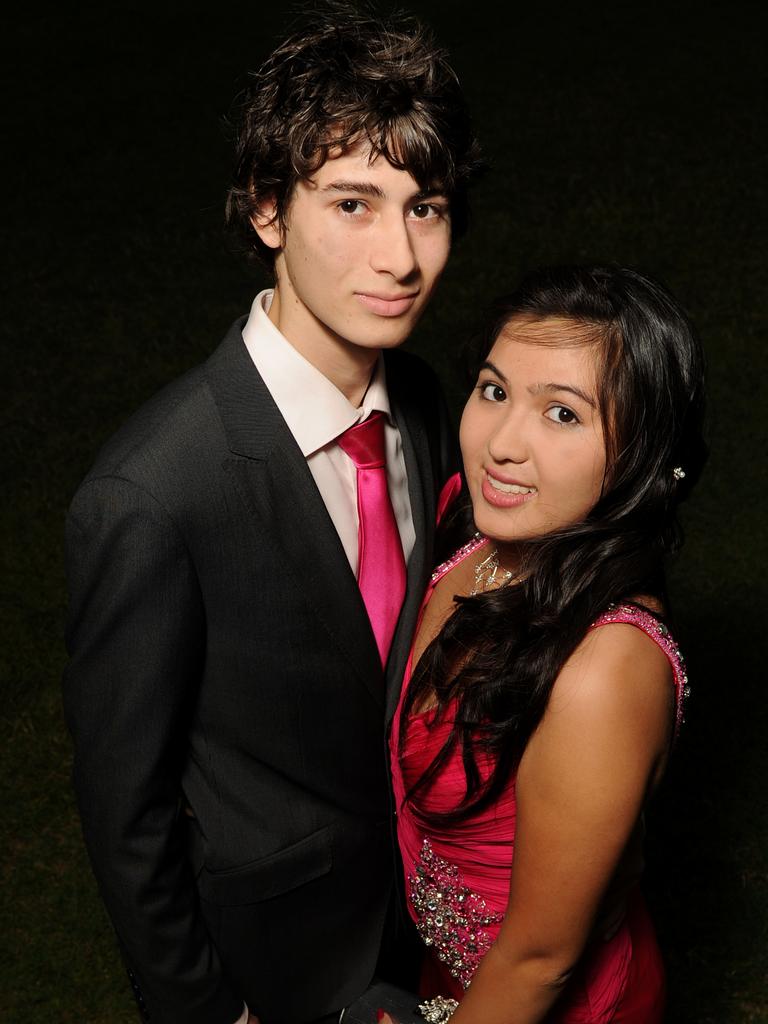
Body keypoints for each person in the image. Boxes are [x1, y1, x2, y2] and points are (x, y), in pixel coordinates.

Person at [62, 5, 480, 1023]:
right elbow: (129, 813)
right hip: (275, 966)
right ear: (265, 211)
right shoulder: (154, 494)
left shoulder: (427, 404)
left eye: (423, 207)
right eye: (351, 204)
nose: (400, 257)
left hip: (425, 932)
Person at [389, 264, 706, 1023]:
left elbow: (538, 962)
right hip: (450, 972)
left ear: (639, 458)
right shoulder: (478, 522)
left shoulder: (603, 670)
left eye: (561, 415)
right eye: (495, 391)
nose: (502, 444)